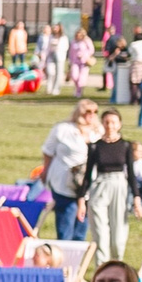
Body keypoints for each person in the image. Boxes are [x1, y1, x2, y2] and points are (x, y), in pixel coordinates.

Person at [81, 108, 140, 262]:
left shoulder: (126, 146)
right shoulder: (95, 146)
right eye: (107, 122)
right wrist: (81, 198)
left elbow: (131, 173)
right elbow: (88, 173)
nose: (110, 126)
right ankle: (101, 266)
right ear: (102, 124)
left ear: (119, 124)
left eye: (113, 122)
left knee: (118, 233)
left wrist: (136, 198)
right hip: (100, 185)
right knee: (100, 232)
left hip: (119, 186)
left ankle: (117, 262)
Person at [36, 99, 99, 241]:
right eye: (88, 111)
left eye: (95, 112)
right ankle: (63, 257)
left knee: (82, 228)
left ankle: (76, 259)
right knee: (66, 223)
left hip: (89, 184)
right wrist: (45, 171)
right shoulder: (63, 129)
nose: (91, 115)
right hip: (64, 182)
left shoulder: (98, 132)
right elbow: (48, 151)